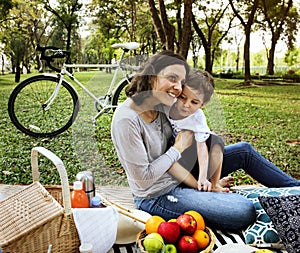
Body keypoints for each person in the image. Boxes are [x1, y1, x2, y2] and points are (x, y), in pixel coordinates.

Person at [111, 50, 300, 230]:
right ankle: (205, 191)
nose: (178, 88)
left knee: (243, 151)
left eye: (181, 81)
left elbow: (196, 120)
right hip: (157, 194)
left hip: (184, 171)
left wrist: (206, 166)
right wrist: (178, 149)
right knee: (242, 210)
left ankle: (295, 189)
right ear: (151, 76)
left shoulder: (164, 103)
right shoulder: (127, 120)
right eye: (172, 78)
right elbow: (143, 181)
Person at [165, 69, 229, 192]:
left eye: (194, 102)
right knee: (170, 163)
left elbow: (202, 147)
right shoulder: (168, 103)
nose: (186, 105)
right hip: (173, 153)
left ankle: (213, 184)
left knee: (216, 141)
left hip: (190, 155)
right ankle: (202, 186)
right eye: (182, 97)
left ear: (203, 104)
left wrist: (203, 176)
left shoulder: (197, 118)